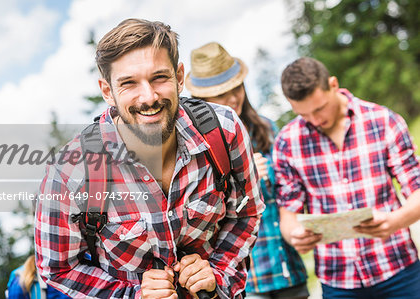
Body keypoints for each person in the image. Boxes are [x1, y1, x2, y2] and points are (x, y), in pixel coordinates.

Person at [34, 18, 264, 299]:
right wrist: (132, 295)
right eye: (129, 83)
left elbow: (246, 214)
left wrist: (217, 274)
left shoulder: (224, 130)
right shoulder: (70, 171)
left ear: (179, 77)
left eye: (159, 77)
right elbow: (58, 268)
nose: (149, 97)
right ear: (108, 91)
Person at [274, 57, 420, 298]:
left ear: (333, 84)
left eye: (319, 108)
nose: (315, 120)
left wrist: (396, 220)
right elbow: (288, 216)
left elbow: (416, 191)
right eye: (304, 114)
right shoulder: (287, 142)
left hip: (399, 269)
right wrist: (295, 236)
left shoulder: (383, 121)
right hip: (337, 280)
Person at [185, 42, 309, 299]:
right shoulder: (196, 146)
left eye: (236, 88)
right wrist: (243, 178)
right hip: (246, 280)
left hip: (288, 267)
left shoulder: (267, 128)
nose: (232, 98)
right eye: (221, 94)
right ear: (203, 100)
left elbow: (289, 191)